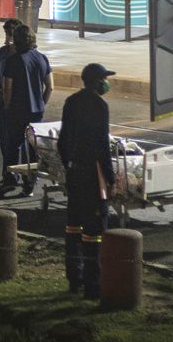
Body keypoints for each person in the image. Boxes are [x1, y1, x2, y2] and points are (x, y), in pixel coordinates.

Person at [58, 63, 117, 298]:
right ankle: (93, 284)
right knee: (94, 232)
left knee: (73, 227)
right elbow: (103, 146)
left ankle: (74, 277)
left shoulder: (71, 102)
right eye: (104, 78)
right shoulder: (99, 106)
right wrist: (110, 178)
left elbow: (63, 140)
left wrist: (68, 165)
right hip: (93, 174)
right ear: (95, 81)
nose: (107, 83)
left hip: (75, 172)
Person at [0, 25, 53, 198]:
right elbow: (50, 86)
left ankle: (10, 179)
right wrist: (41, 103)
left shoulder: (13, 60)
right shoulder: (42, 58)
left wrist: (7, 106)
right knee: (32, 147)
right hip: (36, 112)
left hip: (16, 110)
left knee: (12, 145)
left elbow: (7, 89)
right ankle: (30, 182)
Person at [0, 18, 22, 193]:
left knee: (16, 143)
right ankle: (7, 175)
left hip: (16, 107)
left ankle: (17, 176)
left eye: (9, 34)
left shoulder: (24, 56)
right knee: (5, 143)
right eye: (6, 33)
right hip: (3, 104)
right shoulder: (2, 53)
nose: (7, 37)